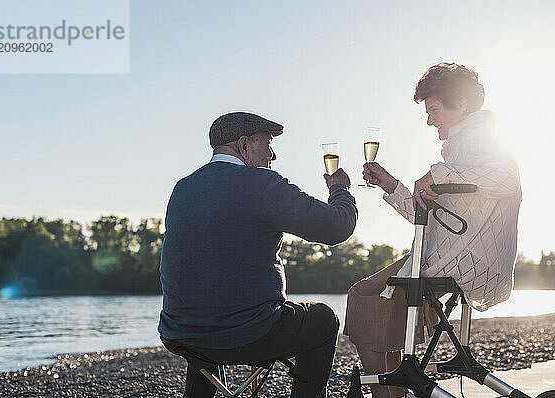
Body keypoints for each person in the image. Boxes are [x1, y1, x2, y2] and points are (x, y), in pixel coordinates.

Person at [344, 63, 522, 398]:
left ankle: (391, 390)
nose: (429, 120)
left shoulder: (480, 138)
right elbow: (434, 217)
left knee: (364, 297)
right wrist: (393, 186)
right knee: (386, 304)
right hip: (457, 253)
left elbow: (507, 179)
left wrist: (439, 173)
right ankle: (397, 382)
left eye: (434, 110)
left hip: (463, 259)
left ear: (462, 105)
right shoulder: (466, 145)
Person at [158, 112, 358, 398]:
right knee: (324, 319)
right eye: (268, 143)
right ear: (244, 145)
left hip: (179, 333)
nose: (273, 155)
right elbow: (336, 227)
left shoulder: (183, 188)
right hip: (247, 334)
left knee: (206, 313)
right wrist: (340, 189)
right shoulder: (260, 183)